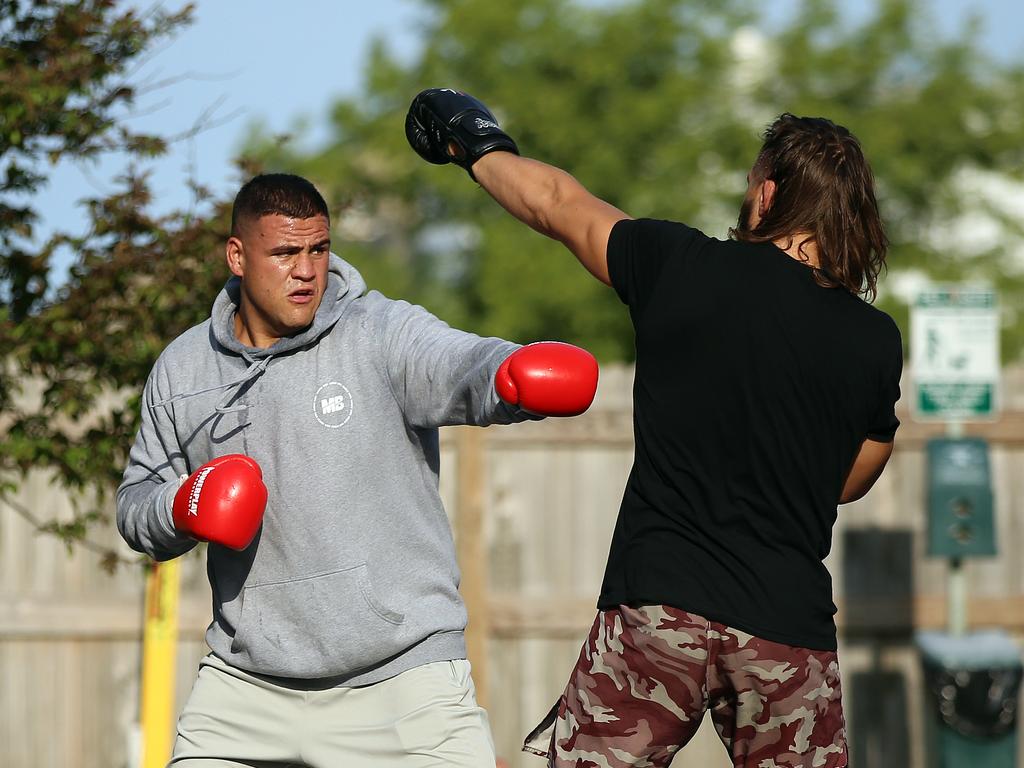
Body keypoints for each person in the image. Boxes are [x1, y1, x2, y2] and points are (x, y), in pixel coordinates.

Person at [405, 89, 903, 768]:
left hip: (657, 612)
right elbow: (851, 479)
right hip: (785, 630)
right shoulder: (874, 341)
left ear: (768, 194)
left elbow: (557, 204)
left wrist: (474, 145)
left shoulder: (680, 265)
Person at [116, 172, 600, 768]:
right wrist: (185, 503)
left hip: (403, 686)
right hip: (246, 690)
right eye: (285, 253)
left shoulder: (379, 332)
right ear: (237, 256)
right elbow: (136, 503)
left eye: (318, 249)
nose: (306, 270)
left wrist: (509, 373)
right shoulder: (184, 368)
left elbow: (456, 361)